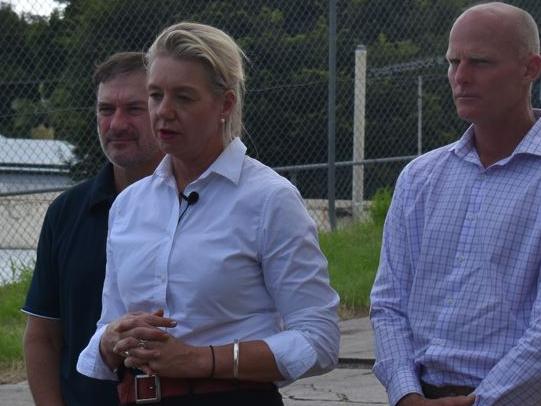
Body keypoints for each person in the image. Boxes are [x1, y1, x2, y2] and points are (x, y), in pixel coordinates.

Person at [76, 22, 340, 406]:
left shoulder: (269, 199)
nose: (164, 112)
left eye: (183, 97)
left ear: (225, 104)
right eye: (155, 95)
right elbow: (106, 327)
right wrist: (112, 340)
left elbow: (319, 339)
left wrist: (198, 359)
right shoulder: (129, 205)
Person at [370, 2, 541, 406]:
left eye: (480, 62)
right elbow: (388, 303)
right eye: (452, 62)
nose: (460, 78)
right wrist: (405, 393)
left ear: (530, 69)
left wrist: (482, 400)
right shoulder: (420, 178)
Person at [22, 52, 164, 405]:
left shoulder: (204, 205)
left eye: (133, 109)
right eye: (105, 110)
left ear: (164, 110)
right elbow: (43, 336)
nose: (116, 124)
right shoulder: (67, 213)